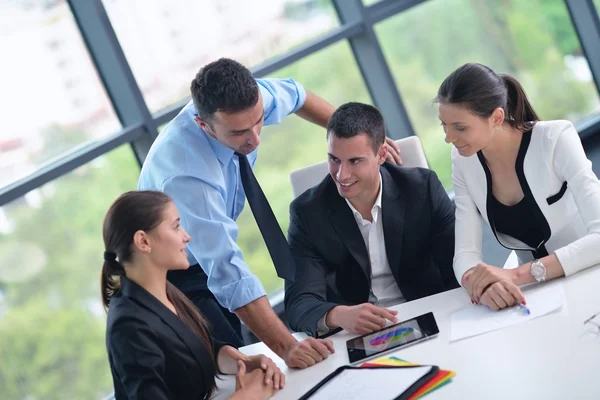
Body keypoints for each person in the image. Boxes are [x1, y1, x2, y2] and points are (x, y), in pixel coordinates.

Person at [138, 58, 402, 366]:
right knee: (231, 369)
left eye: (259, 120)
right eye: (239, 133)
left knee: (244, 358)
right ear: (204, 125)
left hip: (203, 254)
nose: (254, 138)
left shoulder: (252, 98)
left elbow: (298, 95)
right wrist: (288, 347)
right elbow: (228, 271)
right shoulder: (187, 175)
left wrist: (364, 140)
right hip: (171, 274)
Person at [284, 102, 458, 337]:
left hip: (430, 316)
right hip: (356, 335)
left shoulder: (422, 188)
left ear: (381, 155)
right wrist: (338, 314)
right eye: (334, 159)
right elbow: (298, 303)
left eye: (355, 161)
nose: (342, 175)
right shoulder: (307, 213)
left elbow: (458, 265)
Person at [437, 62, 600, 311]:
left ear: (496, 117)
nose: (449, 137)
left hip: (588, 274)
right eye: (444, 125)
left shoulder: (555, 138)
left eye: (460, 127)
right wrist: (482, 284)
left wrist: (515, 276)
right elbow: (464, 254)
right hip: (534, 297)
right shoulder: (463, 161)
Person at [102, 191, 284, 400]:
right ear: (143, 241)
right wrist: (248, 396)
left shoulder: (166, 293)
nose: (186, 236)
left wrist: (242, 361)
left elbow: (192, 352)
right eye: (176, 226)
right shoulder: (127, 326)